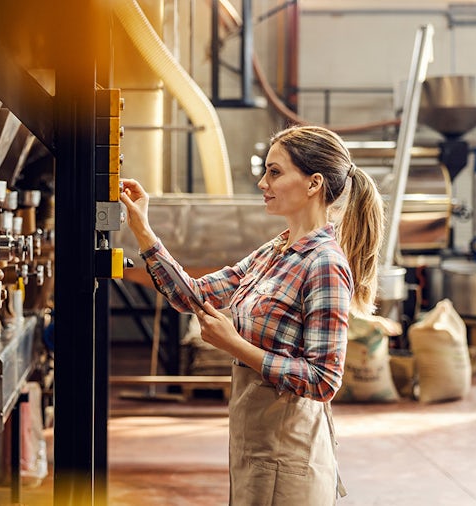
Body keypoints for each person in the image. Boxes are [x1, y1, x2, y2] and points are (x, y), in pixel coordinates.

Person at [119, 125, 385, 505]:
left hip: (289, 449)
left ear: (313, 184)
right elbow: (194, 295)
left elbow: (324, 380)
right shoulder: (274, 251)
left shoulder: (324, 264)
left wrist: (236, 345)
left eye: (275, 172)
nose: (263, 182)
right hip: (253, 443)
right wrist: (143, 230)